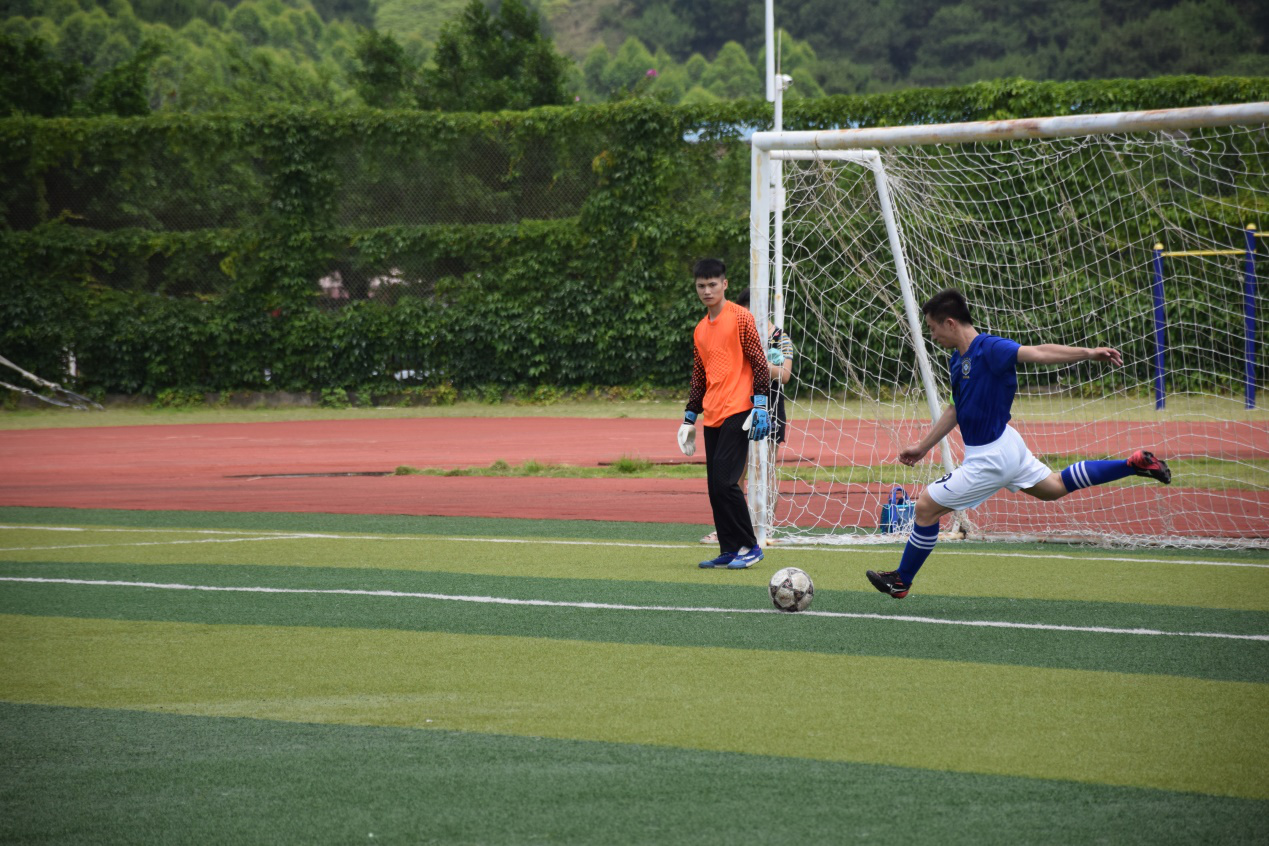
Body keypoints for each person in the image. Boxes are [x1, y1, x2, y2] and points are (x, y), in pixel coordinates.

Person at [866, 288, 1172, 599]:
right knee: (1053, 487)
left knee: (925, 507)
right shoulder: (957, 360)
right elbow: (956, 409)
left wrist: (1089, 353)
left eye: (933, 328)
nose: (932, 335)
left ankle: (902, 580)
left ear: (950, 323)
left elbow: (1038, 353)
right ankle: (1132, 465)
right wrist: (923, 446)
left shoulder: (990, 348)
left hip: (991, 457)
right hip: (1007, 444)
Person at [677, 258, 772, 569]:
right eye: (701, 286)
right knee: (714, 486)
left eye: (712, 284)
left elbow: (758, 362)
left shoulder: (741, 317)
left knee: (727, 483)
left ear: (724, 284)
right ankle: (730, 549)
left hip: (739, 409)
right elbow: (699, 376)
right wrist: (689, 417)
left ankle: (751, 546)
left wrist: (760, 404)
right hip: (713, 413)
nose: (707, 291)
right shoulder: (700, 329)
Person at [700, 288, 795, 544]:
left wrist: (757, 361)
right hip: (737, 408)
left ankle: (765, 526)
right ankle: (728, 529)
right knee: (733, 473)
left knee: (766, 469)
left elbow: (785, 375)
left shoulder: (780, 337)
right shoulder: (734, 333)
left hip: (770, 410)